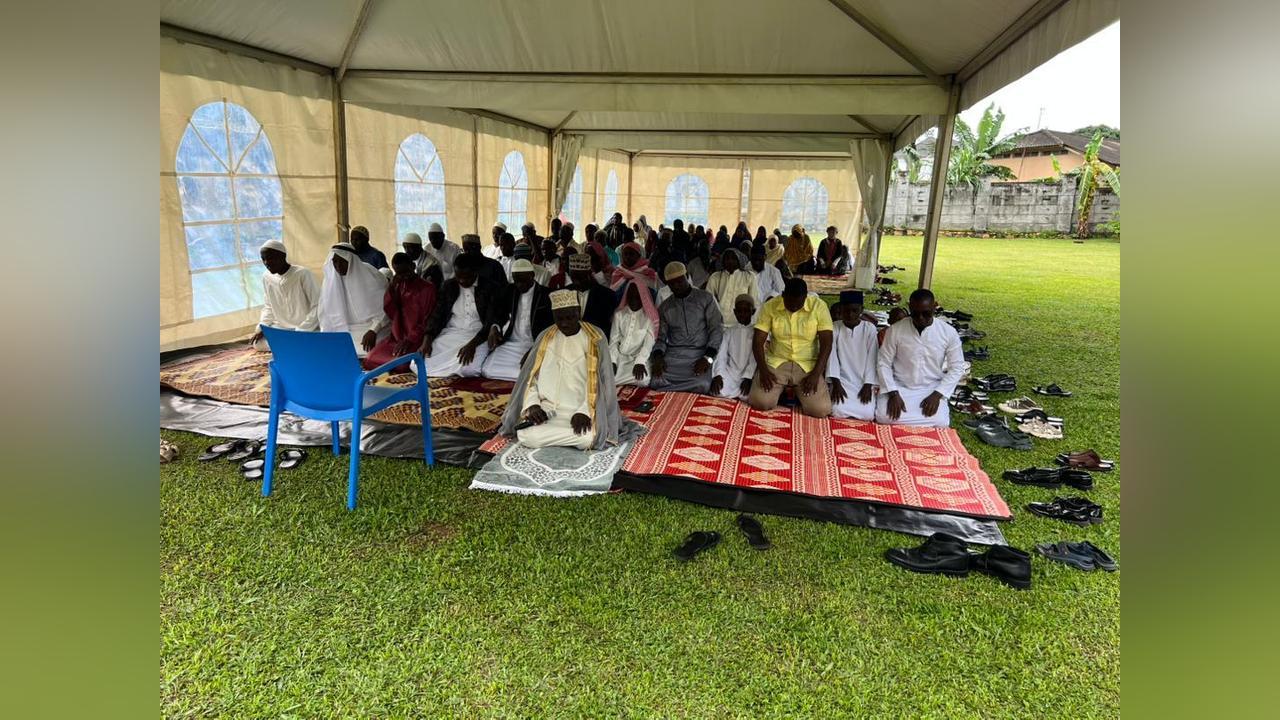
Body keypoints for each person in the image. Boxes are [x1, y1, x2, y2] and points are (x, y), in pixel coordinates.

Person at [499, 290, 623, 450]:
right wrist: (533, 405)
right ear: (553, 316)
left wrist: (584, 411)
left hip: (579, 411)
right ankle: (564, 438)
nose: (564, 323)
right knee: (527, 435)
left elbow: (603, 383)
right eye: (559, 318)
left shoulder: (595, 338)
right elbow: (532, 379)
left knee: (588, 437)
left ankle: (562, 436)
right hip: (547, 412)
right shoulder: (546, 338)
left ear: (578, 313)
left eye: (569, 317)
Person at [876, 288, 965, 427]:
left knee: (940, 421)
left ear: (934, 307)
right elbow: (883, 363)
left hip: (931, 389)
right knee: (884, 416)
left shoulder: (948, 332)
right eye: (915, 314)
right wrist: (893, 394)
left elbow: (957, 367)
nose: (920, 318)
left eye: (926, 314)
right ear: (910, 308)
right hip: (899, 387)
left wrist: (937, 395)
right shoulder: (895, 330)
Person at [748, 278, 833, 417]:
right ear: (783, 294)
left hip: (807, 365)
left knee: (820, 410)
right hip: (777, 362)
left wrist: (816, 374)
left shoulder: (819, 306)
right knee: (760, 402)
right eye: (789, 303)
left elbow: (827, 343)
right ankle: (782, 392)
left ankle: (792, 393)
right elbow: (758, 341)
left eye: (797, 303)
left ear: (806, 297)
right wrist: (763, 371)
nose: (793, 307)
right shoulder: (770, 306)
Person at [420, 253, 507, 377]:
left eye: (467, 277)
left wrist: (472, 345)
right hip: (451, 334)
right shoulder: (449, 286)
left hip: (477, 335)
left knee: (469, 369)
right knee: (420, 361)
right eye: (458, 276)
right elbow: (437, 315)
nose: (462, 281)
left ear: (476, 272)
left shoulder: (490, 287)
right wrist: (427, 340)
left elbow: (491, 320)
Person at [648, 262, 723, 393]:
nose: (677, 286)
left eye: (680, 281)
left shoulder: (705, 298)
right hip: (674, 355)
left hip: (699, 354)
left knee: (703, 384)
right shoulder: (665, 307)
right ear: (668, 284)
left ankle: (673, 390)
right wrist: (658, 358)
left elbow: (716, 330)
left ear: (687, 276)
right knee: (655, 381)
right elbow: (661, 337)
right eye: (672, 283)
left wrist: (707, 358)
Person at [480, 259, 553, 381]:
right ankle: (525, 379)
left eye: (523, 281)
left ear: (532, 276)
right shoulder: (509, 290)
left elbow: (550, 327)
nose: (519, 285)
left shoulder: (546, 294)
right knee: (487, 370)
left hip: (534, 344)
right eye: (516, 281)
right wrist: (494, 327)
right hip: (512, 344)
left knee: (540, 373)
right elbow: (499, 313)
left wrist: (535, 350)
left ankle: (527, 377)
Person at [364, 252, 438, 371]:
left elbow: (426, 320)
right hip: (396, 337)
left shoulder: (427, 288)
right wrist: (392, 288)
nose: (404, 277)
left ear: (413, 266)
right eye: (399, 274)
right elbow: (390, 311)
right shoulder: (398, 286)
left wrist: (409, 340)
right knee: (369, 359)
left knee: (401, 365)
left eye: (406, 272)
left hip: (416, 338)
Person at [319, 242, 389, 356]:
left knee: (369, 349)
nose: (338, 265)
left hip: (373, 329)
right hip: (346, 330)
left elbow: (385, 308)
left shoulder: (371, 274)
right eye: (335, 262)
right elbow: (326, 313)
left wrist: (373, 330)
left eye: (342, 261)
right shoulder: (331, 281)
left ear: (350, 260)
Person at [251, 240, 320, 351]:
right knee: (258, 344)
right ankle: (291, 344)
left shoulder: (302, 274)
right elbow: (268, 306)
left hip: (306, 328)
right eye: (263, 259)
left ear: (283, 256)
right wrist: (262, 327)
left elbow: (317, 305)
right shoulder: (266, 277)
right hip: (281, 328)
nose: (267, 262)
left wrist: (302, 330)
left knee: (317, 339)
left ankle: (290, 344)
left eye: (270, 258)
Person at [827, 291, 879, 420]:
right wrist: (836, 384)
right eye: (846, 311)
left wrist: (868, 385)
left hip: (863, 381)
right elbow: (831, 357)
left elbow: (873, 358)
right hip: (842, 380)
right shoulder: (834, 328)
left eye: (854, 310)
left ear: (861, 310)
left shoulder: (869, 329)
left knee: (867, 414)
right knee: (836, 410)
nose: (850, 315)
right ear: (841, 310)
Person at [609, 280, 659, 386]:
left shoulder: (649, 318)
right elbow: (613, 341)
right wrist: (612, 361)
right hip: (620, 357)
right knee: (607, 376)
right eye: (630, 297)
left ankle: (617, 382)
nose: (633, 300)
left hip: (638, 357)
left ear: (643, 297)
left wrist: (640, 362)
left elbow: (648, 344)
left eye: (637, 297)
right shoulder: (619, 315)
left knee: (643, 379)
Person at [709, 294, 758, 400]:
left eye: (746, 311)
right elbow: (721, 355)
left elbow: (754, 357)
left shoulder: (757, 331)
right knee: (717, 391)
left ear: (753, 312)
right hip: (731, 373)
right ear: (735, 312)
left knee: (755, 396)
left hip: (750, 374)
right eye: (739, 311)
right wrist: (718, 375)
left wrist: (748, 377)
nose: (742, 314)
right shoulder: (729, 332)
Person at [704, 248, 758, 328]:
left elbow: (753, 301)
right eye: (727, 258)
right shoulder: (715, 277)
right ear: (723, 261)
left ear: (739, 260)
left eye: (733, 258)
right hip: (719, 323)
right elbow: (708, 300)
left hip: (740, 324)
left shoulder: (749, 276)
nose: (730, 261)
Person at [566, 251, 615, 338]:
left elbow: (607, 327)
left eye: (580, 277)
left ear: (589, 274)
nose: (576, 281)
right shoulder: (563, 293)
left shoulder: (607, 296)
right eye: (573, 277)